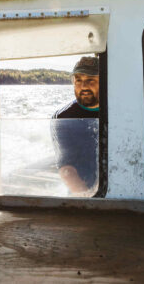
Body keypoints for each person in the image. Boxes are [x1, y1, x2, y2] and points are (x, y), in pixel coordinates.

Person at [51, 56, 100, 195]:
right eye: (78, 80)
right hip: (82, 193)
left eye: (90, 80)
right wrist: (89, 199)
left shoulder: (119, 111)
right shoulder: (63, 117)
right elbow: (66, 167)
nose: (83, 86)